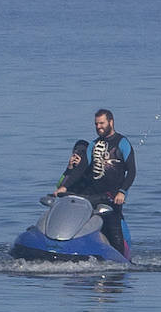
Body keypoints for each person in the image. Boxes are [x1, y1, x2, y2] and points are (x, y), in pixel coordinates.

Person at [56, 108, 136, 255]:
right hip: (92, 195)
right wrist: (64, 187)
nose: (99, 127)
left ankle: (120, 259)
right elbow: (81, 169)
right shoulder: (93, 145)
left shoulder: (122, 142)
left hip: (112, 197)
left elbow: (132, 171)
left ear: (111, 122)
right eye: (96, 124)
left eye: (102, 123)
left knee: (114, 228)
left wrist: (122, 192)